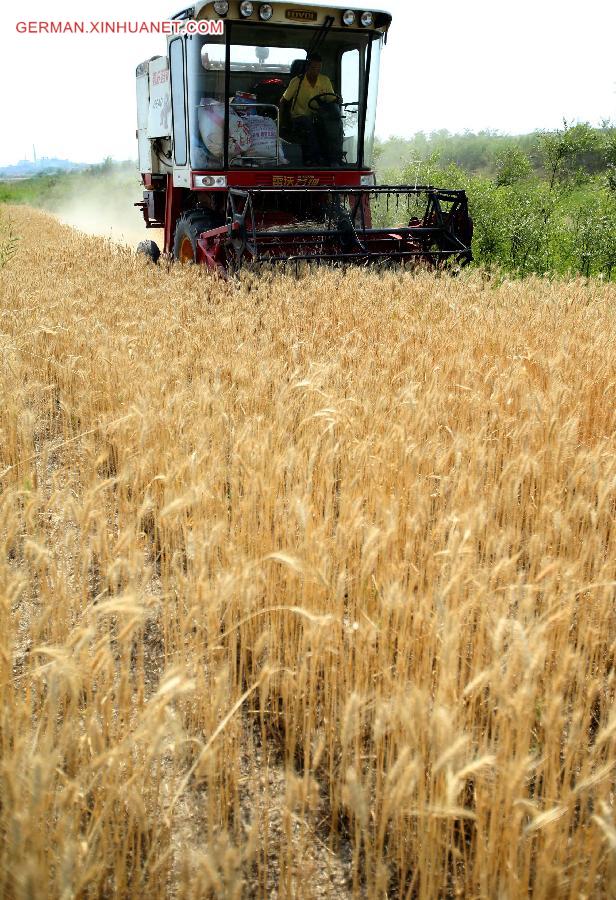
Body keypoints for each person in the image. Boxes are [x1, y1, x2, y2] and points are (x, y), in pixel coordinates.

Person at [279, 53, 337, 166]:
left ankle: (334, 157)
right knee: (308, 123)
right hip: (299, 117)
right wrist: (281, 123)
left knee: (334, 122)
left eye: (319, 67)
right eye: (314, 67)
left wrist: (336, 104)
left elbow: (331, 100)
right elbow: (283, 101)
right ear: (307, 67)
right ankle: (315, 158)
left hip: (320, 116)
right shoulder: (297, 81)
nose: (317, 70)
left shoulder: (325, 80)